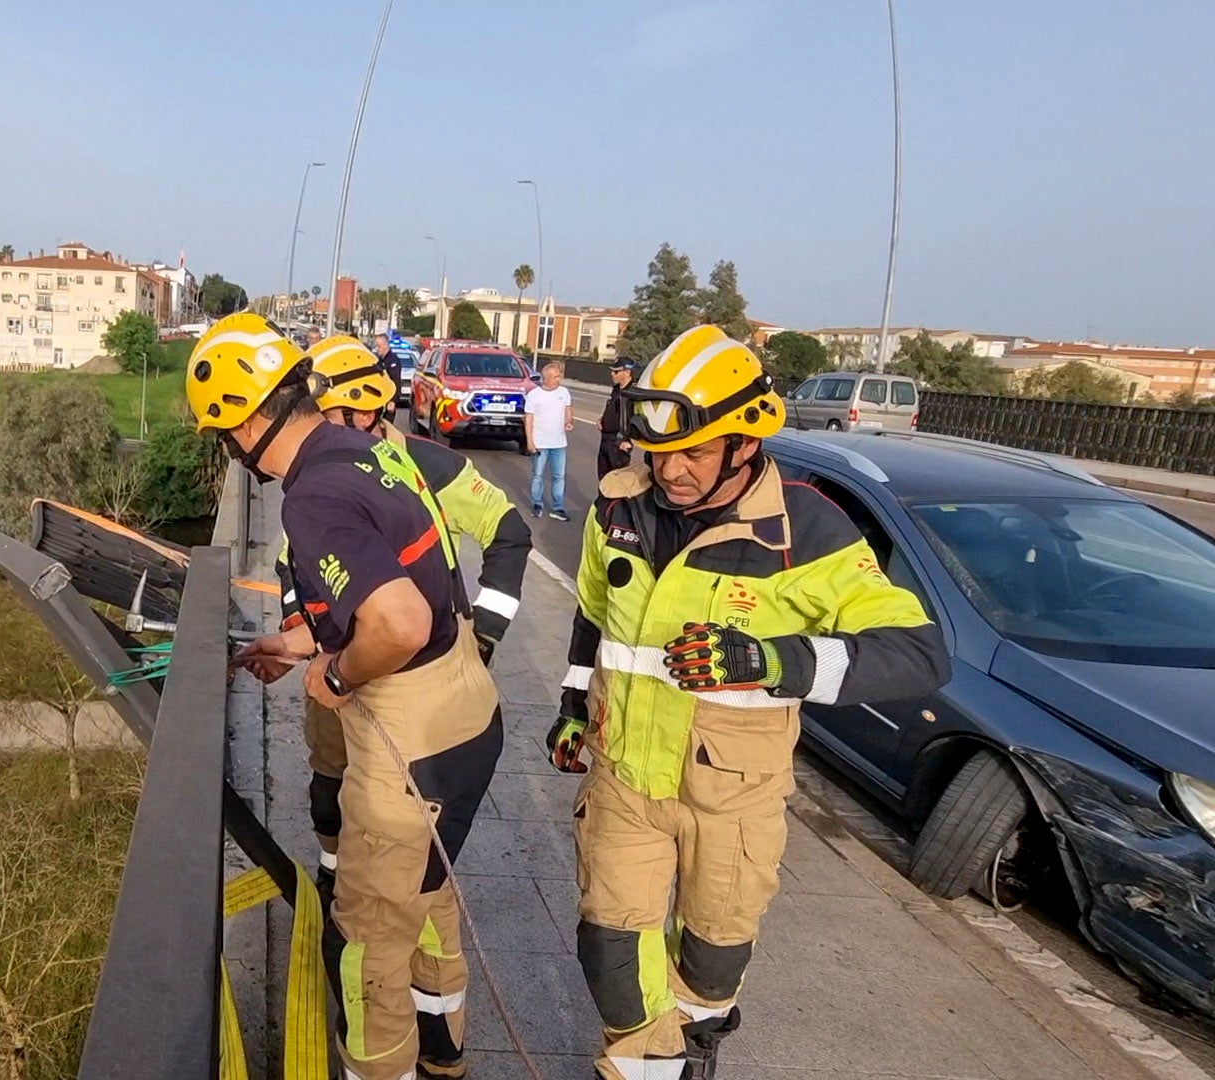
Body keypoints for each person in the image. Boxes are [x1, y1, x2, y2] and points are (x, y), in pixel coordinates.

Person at [545, 325, 950, 1080]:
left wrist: (771, 661)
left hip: (732, 801)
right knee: (609, 951)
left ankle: (696, 1042)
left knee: (712, 959)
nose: (669, 470)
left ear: (743, 444)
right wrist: (573, 706)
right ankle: (650, 1064)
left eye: (693, 452)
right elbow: (594, 616)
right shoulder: (617, 509)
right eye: (658, 450)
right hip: (625, 783)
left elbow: (919, 654)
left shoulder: (808, 532)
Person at [195, 314, 502, 1080]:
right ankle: (444, 1057)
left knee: (365, 944)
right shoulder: (365, 452)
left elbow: (396, 624)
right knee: (428, 902)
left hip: (412, 746)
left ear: (242, 426)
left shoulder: (312, 498)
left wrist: (333, 677)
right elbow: (396, 593)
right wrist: (297, 642)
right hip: (467, 712)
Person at [279, 334, 532, 898]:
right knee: (330, 792)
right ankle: (333, 878)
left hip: (409, 692)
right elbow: (293, 565)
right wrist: (301, 632)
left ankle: (373, 924)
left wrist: (483, 635)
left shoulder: (425, 467)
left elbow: (509, 530)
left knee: (402, 859)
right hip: (338, 674)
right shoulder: (320, 471)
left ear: (363, 409)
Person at [524, 359, 574, 520]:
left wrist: (569, 421)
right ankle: (537, 504)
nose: (558, 379)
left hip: (559, 443)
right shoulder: (534, 395)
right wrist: (530, 441)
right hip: (540, 443)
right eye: (555, 376)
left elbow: (567, 410)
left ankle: (558, 507)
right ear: (546, 378)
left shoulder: (563, 392)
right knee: (537, 475)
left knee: (559, 476)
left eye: (559, 376)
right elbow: (529, 419)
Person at [597, 356, 636, 480]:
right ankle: (603, 499)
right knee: (603, 477)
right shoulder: (616, 389)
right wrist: (602, 419)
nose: (612, 374)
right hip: (605, 438)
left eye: (616, 371)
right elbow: (612, 408)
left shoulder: (633, 392)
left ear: (627, 372)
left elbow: (636, 418)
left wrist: (629, 440)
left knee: (617, 480)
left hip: (619, 441)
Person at [373, 331, 403, 421]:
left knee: (386, 428)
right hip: (379, 399)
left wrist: (392, 401)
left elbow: (396, 381)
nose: (377, 349)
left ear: (386, 345)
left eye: (379, 346)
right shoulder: (379, 360)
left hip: (388, 400)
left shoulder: (393, 360)